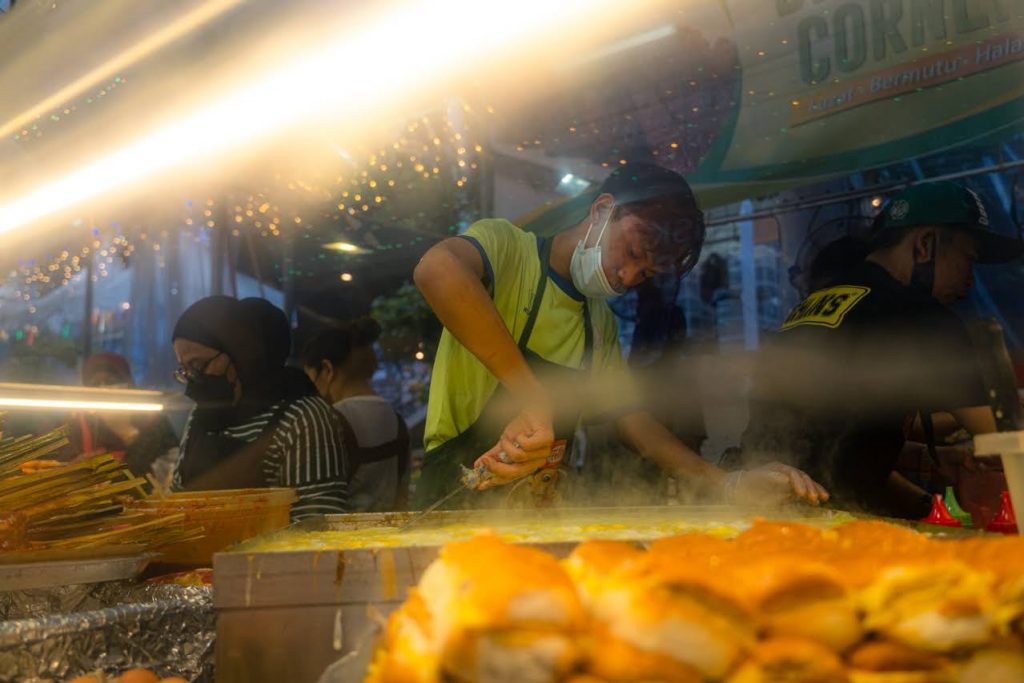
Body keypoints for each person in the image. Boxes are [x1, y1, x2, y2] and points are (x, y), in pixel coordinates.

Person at [411, 162, 828, 509]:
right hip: (454, 498)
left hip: (531, 512)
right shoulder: (508, 249)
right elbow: (437, 271)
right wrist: (531, 394)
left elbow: (634, 423)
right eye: (629, 253)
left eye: (644, 274)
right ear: (601, 211)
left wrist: (728, 483)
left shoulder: (599, 322)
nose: (627, 277)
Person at [742, 181, 1023, 518]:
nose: (970, 281)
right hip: (815, 526)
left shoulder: (823, 301)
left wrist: (926, 508)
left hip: (752, 503)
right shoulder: (917, 313)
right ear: (925, 244)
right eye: (968, 260)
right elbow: (1008, 434)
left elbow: (842, 450)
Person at [170, 296, 351, 519]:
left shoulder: (302, 416)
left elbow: (317, 522)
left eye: (198, 365)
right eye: (185, 370)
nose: (193, 380)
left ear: (242, 355)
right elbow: (176, 499)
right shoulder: (201, 416)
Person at [302, 317, 411, 512]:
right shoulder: (397, 419)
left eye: (311, 379)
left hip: (344, 538)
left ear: (327, 369)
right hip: (391, 535)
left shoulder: (326, 421)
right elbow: (403, 493)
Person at [68, 352, 179, 480]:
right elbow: (63, 470)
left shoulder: (152, 417)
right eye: (95, 384)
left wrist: (127, 432)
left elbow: (157, 472)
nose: (103, 389)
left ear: (127, 383)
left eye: (111, 382)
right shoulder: (79, 423)